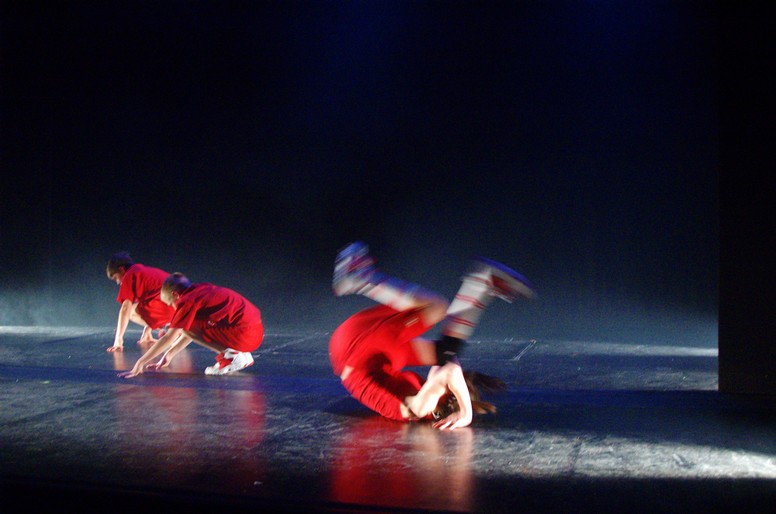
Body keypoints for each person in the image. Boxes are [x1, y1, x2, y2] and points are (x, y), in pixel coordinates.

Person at [329, 241, 535, 430]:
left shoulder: (421, 408)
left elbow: (448, 370)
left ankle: (362, 278)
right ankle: (481, 284)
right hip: (363, 355)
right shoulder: (423, 403)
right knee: (445, 348)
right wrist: (465, 409)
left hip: (356, 353)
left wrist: (466, 410)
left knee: (436, 308)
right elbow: (448, 366)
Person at [118, 272, 264, 378]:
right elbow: (192, 331)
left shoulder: (187, 300)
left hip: (245, 335)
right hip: (254, 332)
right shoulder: (200, 290)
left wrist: (140, 362)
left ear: (175, 295)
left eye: (171, 304)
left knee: (183, 328)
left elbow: (170, 337)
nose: (174, 308)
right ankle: (241, 355)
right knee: (187, 326)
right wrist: (169, 355)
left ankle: (232, 356)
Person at [106, 252, 176, 353]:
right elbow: (150, 301)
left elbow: (125, 308)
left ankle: (169, 328)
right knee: (140, 306)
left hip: (169, 308)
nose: (118, 282)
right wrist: (147, 331)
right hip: (179, 308)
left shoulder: (130, 275)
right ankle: (170, 327)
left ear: (121, 269)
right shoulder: (141, 271)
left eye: (116, 278)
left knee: (130, 311)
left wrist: (118, 341)